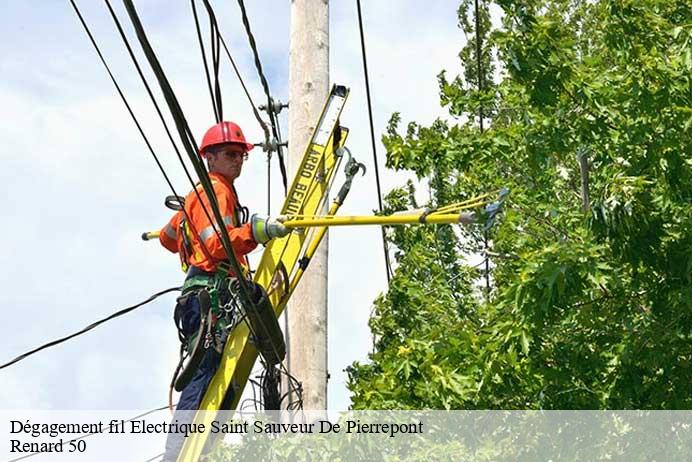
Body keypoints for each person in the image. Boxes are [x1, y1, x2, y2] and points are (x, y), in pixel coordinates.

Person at [158, 121, 289, 460]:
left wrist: (188, 227)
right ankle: (178, 454)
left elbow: (167, 238)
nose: (238, 160)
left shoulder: (202, 196)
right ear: (210, 158)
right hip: (209, 296)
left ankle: (189, 450)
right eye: (231, 154)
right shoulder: (213, 190)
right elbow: (217, 244)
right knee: (203, 376)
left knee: (209, 374)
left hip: (201, 296)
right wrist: (255, 232)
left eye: (241, 155)